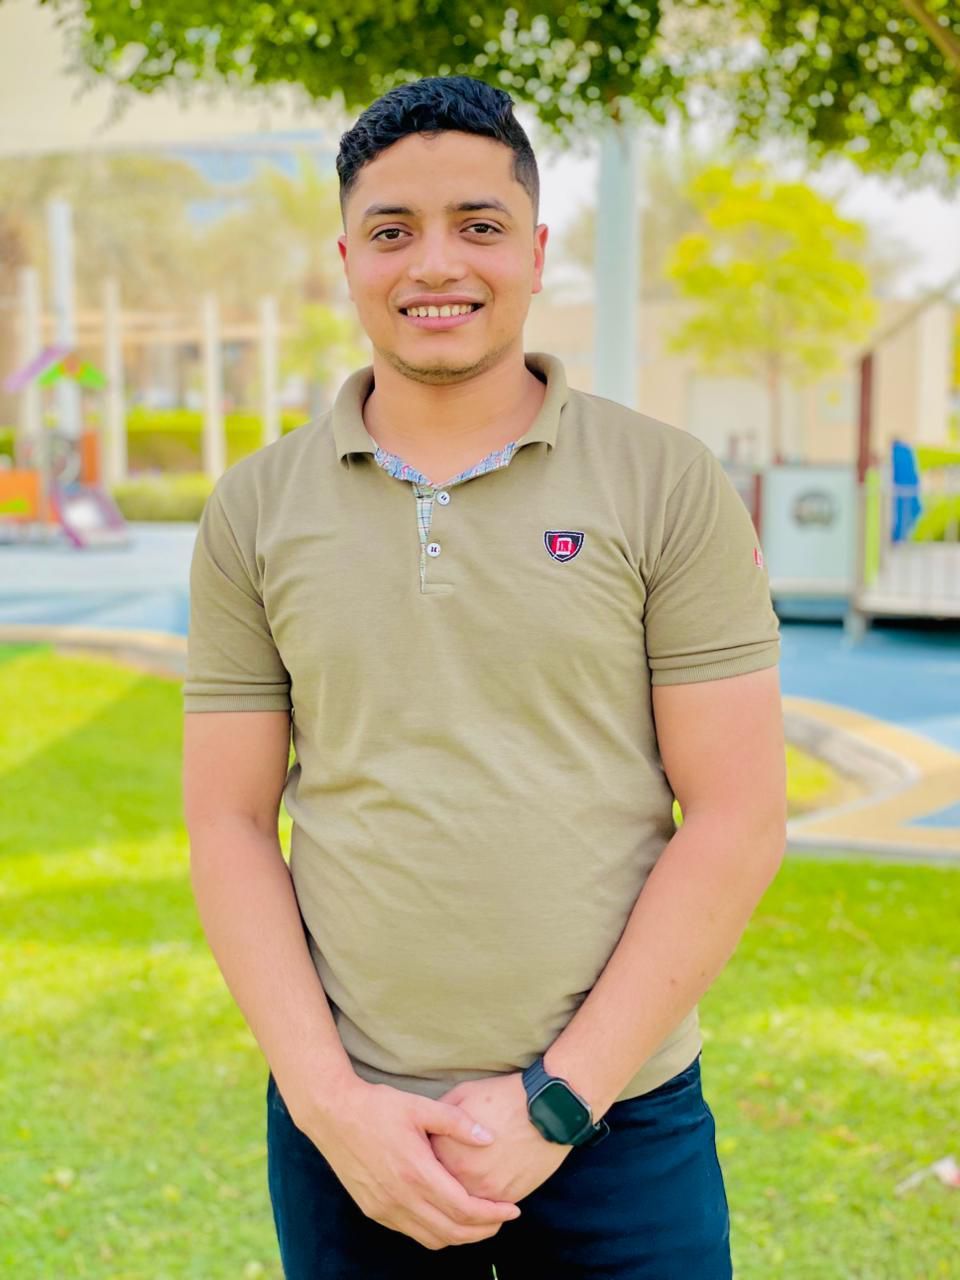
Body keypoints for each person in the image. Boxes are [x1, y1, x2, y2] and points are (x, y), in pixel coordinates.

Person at [182, 74, 786, 1280]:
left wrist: (558, 1098)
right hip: (353, 1128)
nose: (435, 264)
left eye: (479, 224)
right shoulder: (254, 509)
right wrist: (330, 1103)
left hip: (620, 1119)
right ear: (347, 259)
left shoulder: (664, 482)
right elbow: (230, 821)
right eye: (392, 230)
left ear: (537, 251)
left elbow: (737, 812)